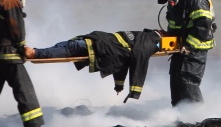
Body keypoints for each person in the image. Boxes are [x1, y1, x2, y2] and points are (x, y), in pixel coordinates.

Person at [24, 29, 163, 103]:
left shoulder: (142, 35)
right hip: (99, 45)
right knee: (70, 48)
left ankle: (35, 51)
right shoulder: (150, 41)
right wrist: (135, 91)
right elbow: (140, 61)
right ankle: (35, 53)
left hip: (97, 39)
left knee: (69, 45)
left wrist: (119, 85)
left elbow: (125, 61)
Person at [158, 0, 216, 106]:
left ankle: (197, 117)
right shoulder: (176, 1)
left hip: (196, 48)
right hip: (180, 48)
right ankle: (180, 115)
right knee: (176, 78)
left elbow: (203, 25)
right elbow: (175, 24)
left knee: (187, 80)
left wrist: (189, 46)